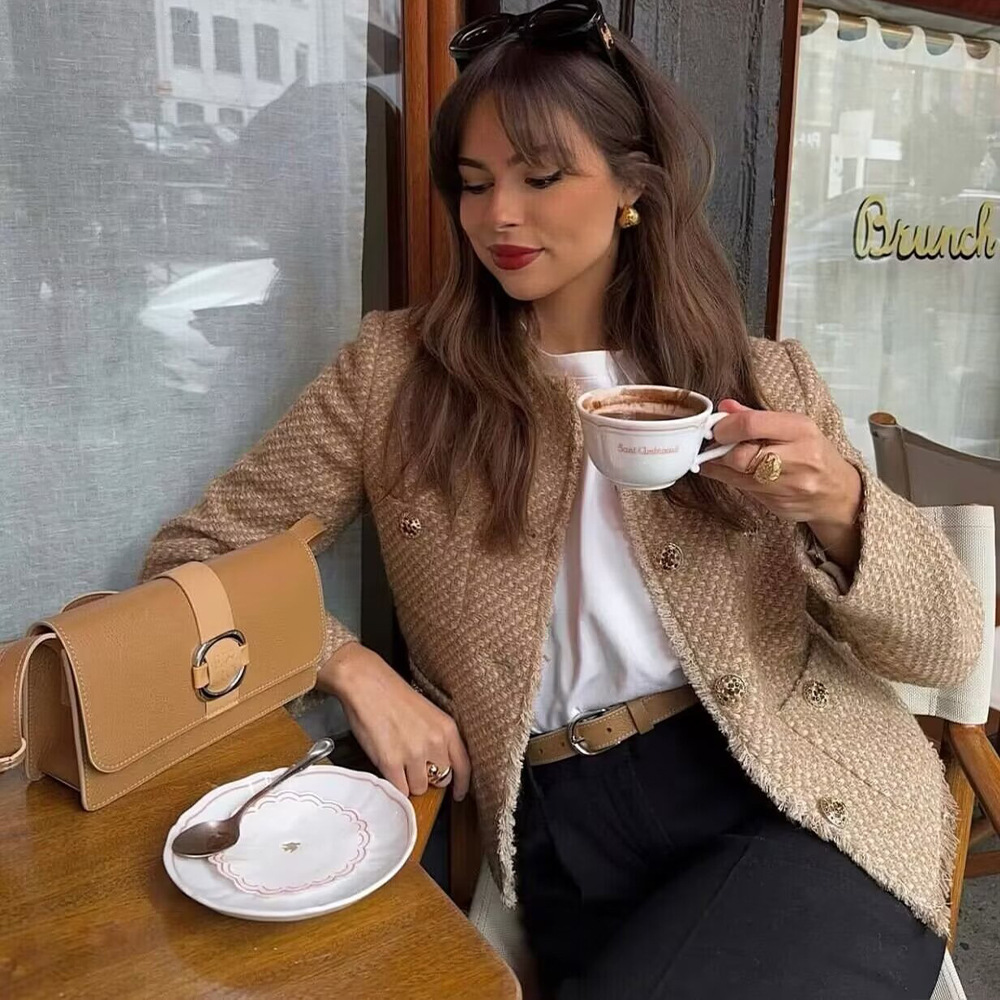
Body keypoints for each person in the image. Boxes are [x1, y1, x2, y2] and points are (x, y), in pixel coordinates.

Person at [141, 3, 982, 997]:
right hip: (556, 820)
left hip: (798, 793)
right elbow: (193, 557)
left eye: (541, 178)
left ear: (632, 186)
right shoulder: (394, 379)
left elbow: (944, 649)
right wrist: (350, 666)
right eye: (473, 182)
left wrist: (839, 502)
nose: (499, 215)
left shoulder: (758, 378)